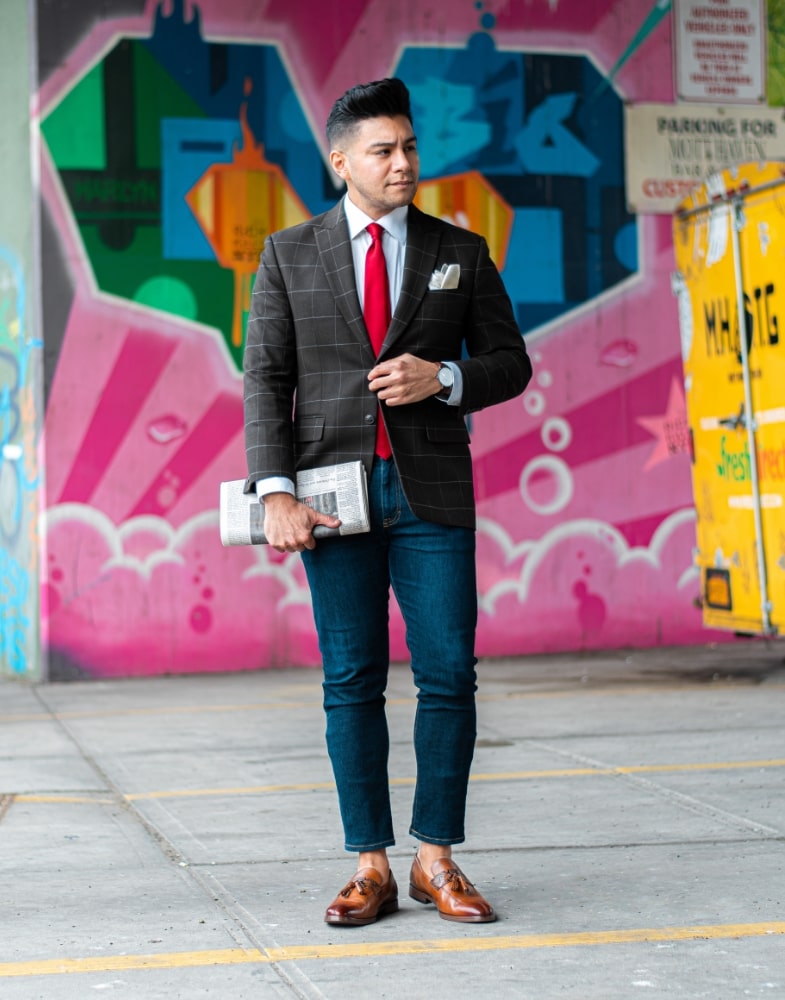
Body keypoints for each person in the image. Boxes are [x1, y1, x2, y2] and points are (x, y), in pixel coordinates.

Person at [243, 77, 531, 926]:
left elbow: (509, 364)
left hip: (430, 491)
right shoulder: (288, 253)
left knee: (448, 675)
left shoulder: (460, 250)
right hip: (330, 500)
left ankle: (435, 858)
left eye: (408, 145)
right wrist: (275, 494)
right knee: (350, 680)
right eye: (383, 149)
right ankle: (368, 863)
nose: (402, 161)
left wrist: (442, 378)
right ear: (342, 162)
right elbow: (265, 380)